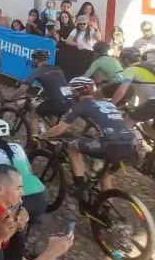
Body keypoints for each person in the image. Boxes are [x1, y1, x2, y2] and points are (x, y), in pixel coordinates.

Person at [39, 77, 139, 206]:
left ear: (77, 92)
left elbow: (60, 129)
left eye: (73, 91)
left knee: (72, 146)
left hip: (111, 145)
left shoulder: (81, 105)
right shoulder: (107, 103)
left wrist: (42, 136)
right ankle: (106, 211)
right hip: (131, 147)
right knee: (105, 177)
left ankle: (78, 186)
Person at [0, 165, 72, 260]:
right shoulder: (2, 221)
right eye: (18, 188)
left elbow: (12, 257)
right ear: (1, 189)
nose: (22, 192)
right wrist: (51, 252)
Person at [8, 49, 73, 141]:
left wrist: (11, 98)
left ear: (36, 60)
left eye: (33, 59)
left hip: (56, 101)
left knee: (33, 115)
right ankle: (51, 135)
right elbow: (56, 84)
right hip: (70, 99)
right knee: (50, 113)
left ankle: (35, 141)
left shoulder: (38, 71)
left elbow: (23, 88)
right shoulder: (57, 68)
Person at [112, 47, 155, 122]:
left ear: (126, 60)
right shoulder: (148, 65)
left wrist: (111, 104)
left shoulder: (130, 69)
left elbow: (122, 91)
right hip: (151, 101)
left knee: (126, 122)